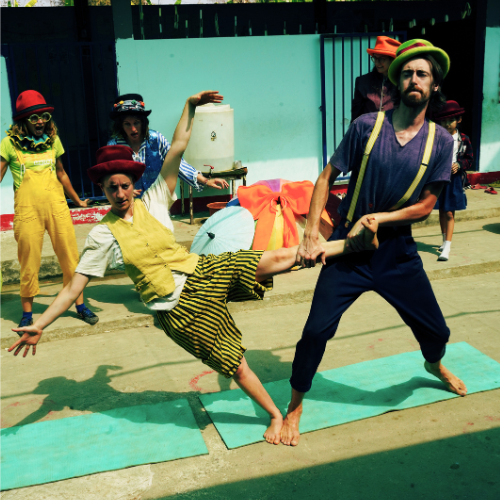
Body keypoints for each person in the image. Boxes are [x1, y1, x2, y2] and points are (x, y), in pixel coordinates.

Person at [9, 90, 379, 446]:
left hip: (202, 272)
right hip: (178, 310)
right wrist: (40, 324)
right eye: (111, 188)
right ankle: (274, 415)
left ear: (134, 185)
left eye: (124, 185)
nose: (119, 194)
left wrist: (190, 106)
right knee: (235, 364)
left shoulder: (155, 198)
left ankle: (352, 245)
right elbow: (73, 287)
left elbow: (177, 147)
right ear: (103, 190)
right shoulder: (102, 235)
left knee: (273, 259)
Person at [281, 39, 468, 447]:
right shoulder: (367, 126)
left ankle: (434, 364)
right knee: (315, 332)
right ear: (397, 81)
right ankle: (295, 404)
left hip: (397, 251)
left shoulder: (441, 141)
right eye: (407, 73)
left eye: (422, 74)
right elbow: (326, 177)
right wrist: (310, 232)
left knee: (436, 330)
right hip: (349, 249)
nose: (414, 79)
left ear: (434, 85)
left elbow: (426, 206)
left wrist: (379, 219)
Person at [0, 90, 99, 328]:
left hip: (57, 208)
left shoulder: (53, 141)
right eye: (34, 118)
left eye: (44, 116)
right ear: (23, 121)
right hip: (28, 212)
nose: (40, 122)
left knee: (70, 259)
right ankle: (27, 314)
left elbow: (62, 173)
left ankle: (80, 306)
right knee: (29, 262)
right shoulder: (8, 144)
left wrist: (77, 201)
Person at [107, 93, 229, 197]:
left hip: (156, 202)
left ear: (143, 122)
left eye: (136, 123)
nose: (133, 129)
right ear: (121, 126)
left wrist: (206, 181)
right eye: (127, 124)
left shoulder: (155, 139)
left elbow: (176, 162)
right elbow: (108, 178)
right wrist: (122, 192)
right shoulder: (113, 147)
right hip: (128, 205)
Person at [433, 100, 473, 261]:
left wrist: (459, 164)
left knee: (449, 211)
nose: (447, 124)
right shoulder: (436, 137)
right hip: (438, 179)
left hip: (454, 180)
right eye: (443, 121)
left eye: (451, 120)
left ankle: (447, 247)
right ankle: (444, 241)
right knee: (442, 210)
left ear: (459, 120)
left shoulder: (463, 139)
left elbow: (469, 159)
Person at [351, 36, 401, 121]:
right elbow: (356, 116)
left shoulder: (401, 82)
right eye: (375, 58)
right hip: (368, 128)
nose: (377, 63)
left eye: (381, 59)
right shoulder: (362, 82)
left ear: (392, 60)